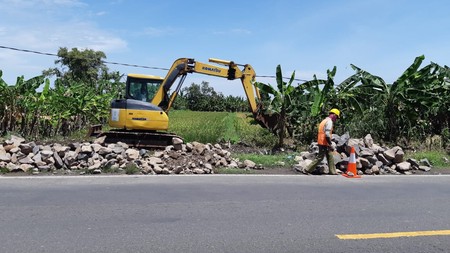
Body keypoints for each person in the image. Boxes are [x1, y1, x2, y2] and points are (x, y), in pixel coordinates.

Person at [302, 108, 341, 175]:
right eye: (336, 117)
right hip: (324, 142)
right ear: (334, 115)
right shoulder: (329, 122)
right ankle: (307, 170)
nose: (336, 119)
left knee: (330, 156)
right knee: (320, 157)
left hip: (322, 141)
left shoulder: (324, 121)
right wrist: (330, 144)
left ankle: (332, 171)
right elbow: (327, 134)